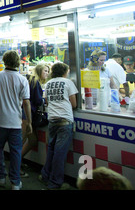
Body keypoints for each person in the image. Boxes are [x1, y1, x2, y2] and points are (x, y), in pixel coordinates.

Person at [0, 50, 32, 190]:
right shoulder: (22, 79)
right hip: (15, 123)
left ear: (4, 61)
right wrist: (29, 122)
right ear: (17, 62)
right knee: (16, 151)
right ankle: (15, 182)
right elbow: (26, 103)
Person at [39, 62, 78, 190]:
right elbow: (74, 104)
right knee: (59, 154)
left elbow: (46, 101)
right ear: (65, 71)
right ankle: (55, 182)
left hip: (52, 120)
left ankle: (45, 175)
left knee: (51, 150)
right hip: (65, 120)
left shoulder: (48, 83)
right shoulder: (68, 82)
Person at [21, 62, 50, 177]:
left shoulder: (29, 79)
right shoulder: (35, 82)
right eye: (45, 71)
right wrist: (44, 100)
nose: (47, 73)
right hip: (27, 116)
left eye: (48, 71)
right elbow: (38, 100)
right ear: (39, 71)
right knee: (21, 140)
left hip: (26, 115)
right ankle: (15, 166)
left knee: (32, 140)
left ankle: (18, 161)